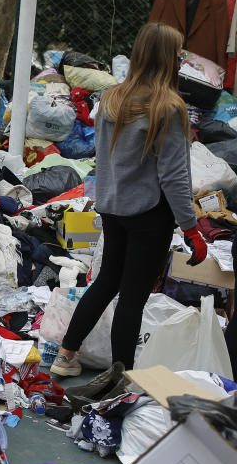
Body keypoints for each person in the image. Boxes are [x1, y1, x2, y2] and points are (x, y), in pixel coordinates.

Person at [51, 22, 206, 378]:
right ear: (170, 59)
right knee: (133, 296)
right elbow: (174, 176)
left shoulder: (111, 97)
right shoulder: (169, 107)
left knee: (106, 282)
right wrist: (191, 227)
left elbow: (103, 157)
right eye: (179, 54)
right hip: (150, 212)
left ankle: (65, 356)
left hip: (111, 206)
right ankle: (120, 377)